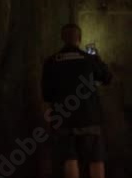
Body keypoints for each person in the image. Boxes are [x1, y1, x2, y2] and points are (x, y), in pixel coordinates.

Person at [41, 23, 113, 178]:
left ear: (62, 38)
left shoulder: (51, 62)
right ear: (79, 38)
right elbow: (107, 78)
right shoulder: (89, 59)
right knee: (95, 158)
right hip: (90, 118)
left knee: (70, 158)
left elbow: (46, 95)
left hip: (63, 119)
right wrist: (97, 58)